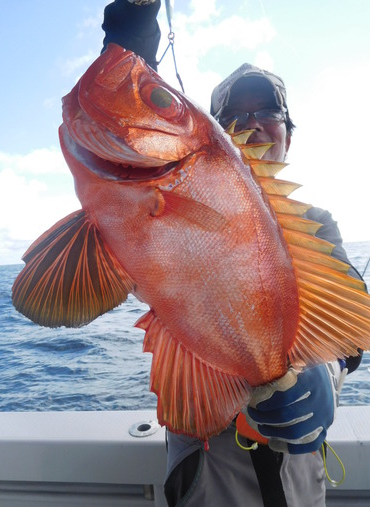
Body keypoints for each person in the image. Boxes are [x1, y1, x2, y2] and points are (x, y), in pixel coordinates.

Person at [101, 1, 365, 505]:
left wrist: (324, 373)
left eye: (269, 114)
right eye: (235, 118)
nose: (255, 124)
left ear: (289, 133)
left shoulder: (317, 224)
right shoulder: (174, 209)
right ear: (213, 140)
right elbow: (128, 122)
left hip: (298, 466)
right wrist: (134, 22)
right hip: (209, 459)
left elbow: (349, 331)